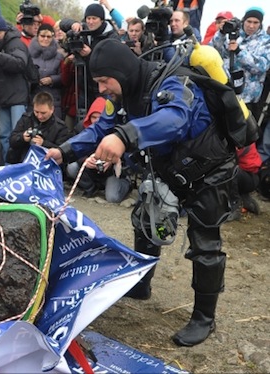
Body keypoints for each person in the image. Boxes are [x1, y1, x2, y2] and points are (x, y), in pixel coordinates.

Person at [46, 39, 236, 347]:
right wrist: (64, 151)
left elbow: (175, 119)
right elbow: (101, 129)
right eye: (97, 83)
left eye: (104, 81)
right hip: (168, 169)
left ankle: (204, 318)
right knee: (145, 221)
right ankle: (142, 284)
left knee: (205, 244)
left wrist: (125, 136)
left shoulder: (173, 82)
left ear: (120, 72)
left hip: (209, 172)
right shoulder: (123, 94)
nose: (102, 89)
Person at [0, 15, 31, 162]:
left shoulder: (15, 43)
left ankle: (19, 168)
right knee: (4, 136)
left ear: (5, 31)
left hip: (17, 98)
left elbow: (19, 64)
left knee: (18, 136)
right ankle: (7, 166)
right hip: (2, 98)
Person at [65, 96, 132, 203]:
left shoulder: (117, 130)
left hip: (111, 172)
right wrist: (85, 161)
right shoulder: (81, 127)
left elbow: (127, 155)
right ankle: (90, 188)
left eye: (99, 117)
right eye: (93, 117)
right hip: (90, 170)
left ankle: (126, 184)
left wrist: (113, 160)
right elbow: (75, 150)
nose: (96, 121)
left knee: (112, 198)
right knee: (71, 167)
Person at [59, 3, 119, 110]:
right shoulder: (83, 28)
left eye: (94, 18)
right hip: (84, 85)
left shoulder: (111, 36)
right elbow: (62, 24)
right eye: (88, 18)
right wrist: (74, 24)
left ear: (101, 20)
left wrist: (91, 55)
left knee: (101, 116)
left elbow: (112, 62)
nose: (90, 22)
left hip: (103, 87)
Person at [7, 91, 70, 164]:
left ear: (52, 109)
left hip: (46, 164)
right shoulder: (26, 119)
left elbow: (62, 151)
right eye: (36, 112)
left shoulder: (60, 127)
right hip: (22, 161)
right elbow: (12, 140)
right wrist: (22, 137)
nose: (39, 116)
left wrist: (43, 144)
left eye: (43, 113)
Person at [29, 24, 64, 118]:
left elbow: (64, 76)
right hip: (34, 98)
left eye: (48, 36)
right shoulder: (29, 55)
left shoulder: (59, 56)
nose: (45, 39)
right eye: (42, 36)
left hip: (53, 99)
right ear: (37, 36)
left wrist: (52, 79)